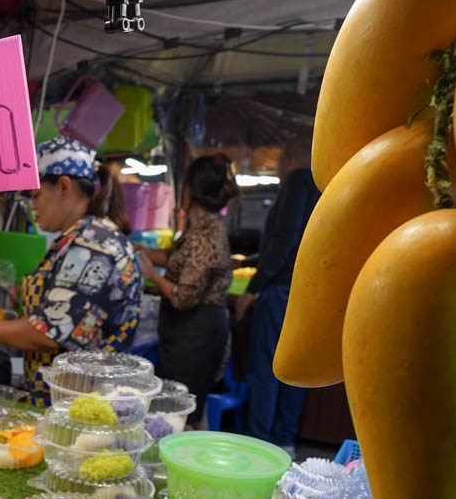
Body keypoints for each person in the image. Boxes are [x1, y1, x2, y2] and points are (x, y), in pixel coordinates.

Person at [0, 137, 143, 405]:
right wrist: (7, 319)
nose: (32, 207)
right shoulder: (77, 238)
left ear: (63, 186)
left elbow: (49, 332)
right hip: (63, 401)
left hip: (83, 408)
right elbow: (58, 309)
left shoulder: (93, 245)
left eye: (35, 196)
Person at [135, 154, 237, 427]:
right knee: (191, 409)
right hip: (190, 333)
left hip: (196, 336)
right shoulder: (200, 228)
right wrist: (141, 250)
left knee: (183, 415)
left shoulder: (206, 234)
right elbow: (174, 259)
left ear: (190, 190)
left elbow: (183, 297)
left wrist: (151, 275)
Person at [236, 138, 321, 453]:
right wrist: (246, 262)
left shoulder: (298, 181)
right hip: (305, 293)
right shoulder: (321, 184)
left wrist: (253, 287)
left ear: (289, 158)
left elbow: (284, 241)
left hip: (280, 291)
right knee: (291, 370)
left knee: (267, 368)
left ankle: (259, 444)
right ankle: (284, 442)